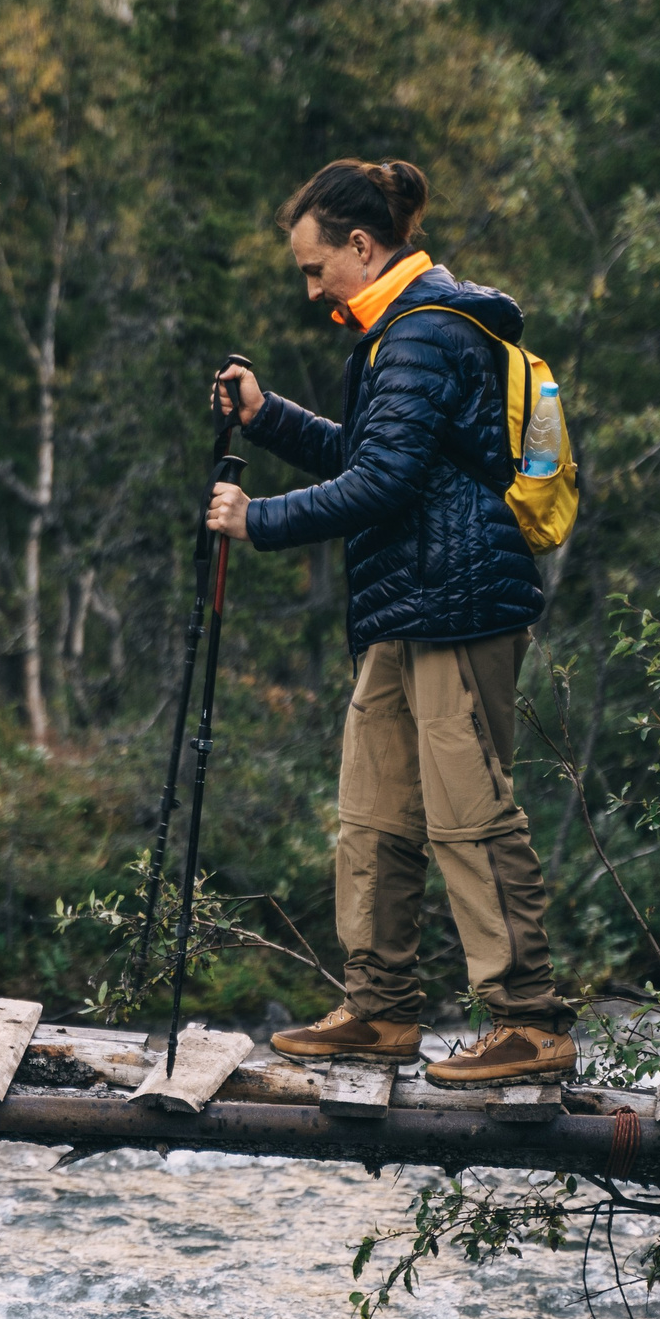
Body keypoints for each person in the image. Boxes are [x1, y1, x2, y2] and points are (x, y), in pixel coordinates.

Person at [207, 157, 576, 1087]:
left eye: (313, 265)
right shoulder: (391, 335)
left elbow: (382, 483)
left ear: (361, 246)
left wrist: (258, 520)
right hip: (403, 609)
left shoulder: (422, 334)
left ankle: (530, 1021)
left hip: (457, 607)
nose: (309, 285)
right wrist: (269, 417)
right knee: (373, 816)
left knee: (469, 815)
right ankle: (379, 1009)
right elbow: (367, 454)